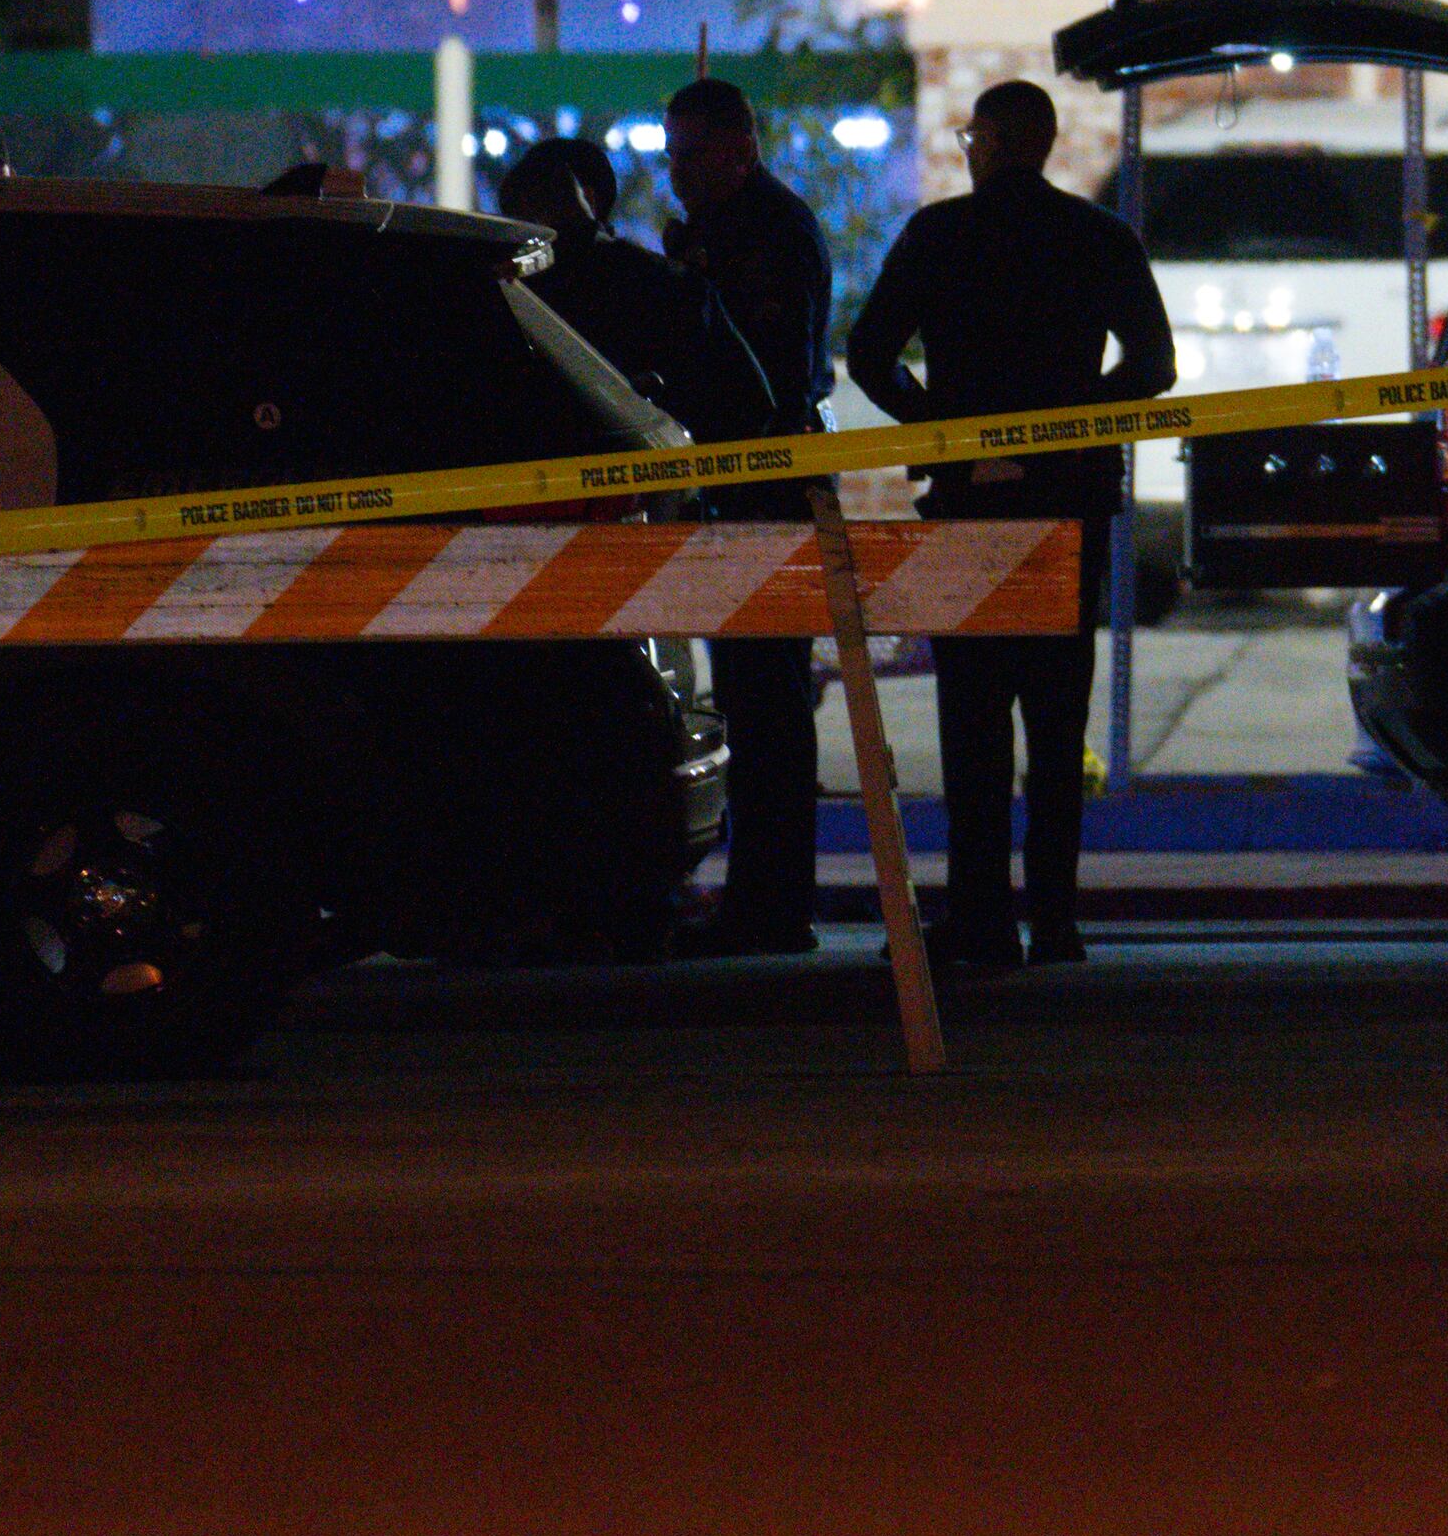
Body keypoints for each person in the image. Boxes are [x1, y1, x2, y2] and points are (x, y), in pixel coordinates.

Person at [842, 78, 1174, 973]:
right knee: (1057, 722)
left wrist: (933, 430)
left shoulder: (940, 235)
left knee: (974, 719)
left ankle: (980, 917)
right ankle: (1056, 921)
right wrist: (1076, 421)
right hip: (1067, 504)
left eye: (970, 134)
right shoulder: (1100, 236)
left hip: (969, 504)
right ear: (1048, 142)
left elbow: (869, 350)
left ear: (989, 141)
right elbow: (1154, 362)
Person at [662, 76, 838, 954]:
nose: (675, 171)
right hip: (742, 488)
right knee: (751, 695)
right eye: (670, 155)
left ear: (741, 148)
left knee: (768, 701)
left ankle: (774, 902)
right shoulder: (732, 228)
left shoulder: (766, 233)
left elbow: (768, 372)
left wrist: (697, 278)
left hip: (768, 486)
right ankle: (763, 895)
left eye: (691, 154)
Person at [494, 136, 774, 443]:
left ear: (586, 199)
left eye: (523, 220)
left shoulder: (516, 296)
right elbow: (752, 405)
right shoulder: (671, 282)